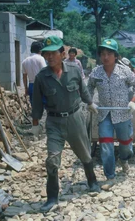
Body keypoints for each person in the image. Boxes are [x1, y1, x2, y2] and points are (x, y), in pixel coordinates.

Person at [31, 36, 100, 212]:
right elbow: (37, 102)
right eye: (46, 54)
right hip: (54, 122)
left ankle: (92, 181)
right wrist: (36, 123)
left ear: (62, 54)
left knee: (85, 153)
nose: (49, 57)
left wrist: (90, 103)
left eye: (53, 53)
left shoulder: (75, 70)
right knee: (52, 160)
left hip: (75, 118)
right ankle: (52, 196)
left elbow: (83, 89)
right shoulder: (41, 77)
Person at [87, 39, 135, 180]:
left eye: (109, 54)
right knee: (105, 146)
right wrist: (90, 102)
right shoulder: (96, 73)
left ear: (115, 56)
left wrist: (132, 101)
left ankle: (124, 159)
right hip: (104, 114)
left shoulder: (125, 71)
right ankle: (110, 176)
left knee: (126, 145)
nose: (105, 57)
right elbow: (89, 88)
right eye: (103, 54)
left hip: (123, 113)